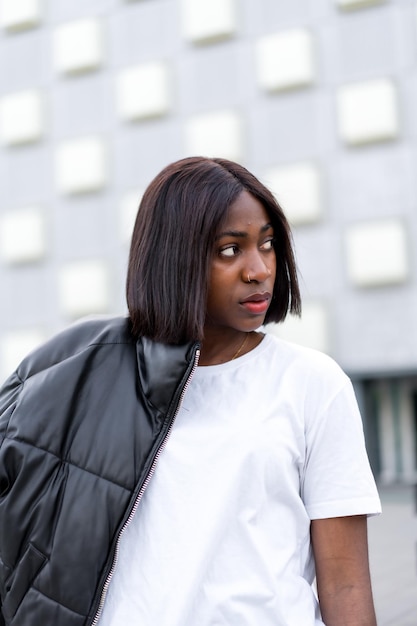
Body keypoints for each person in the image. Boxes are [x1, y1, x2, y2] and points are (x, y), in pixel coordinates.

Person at [0, 156, 380, 626]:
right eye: (229, 250)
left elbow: (345, 584)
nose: (259, 269)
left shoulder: (314, 385)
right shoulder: (91, 377)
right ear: (173, 257)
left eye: (267, 244)